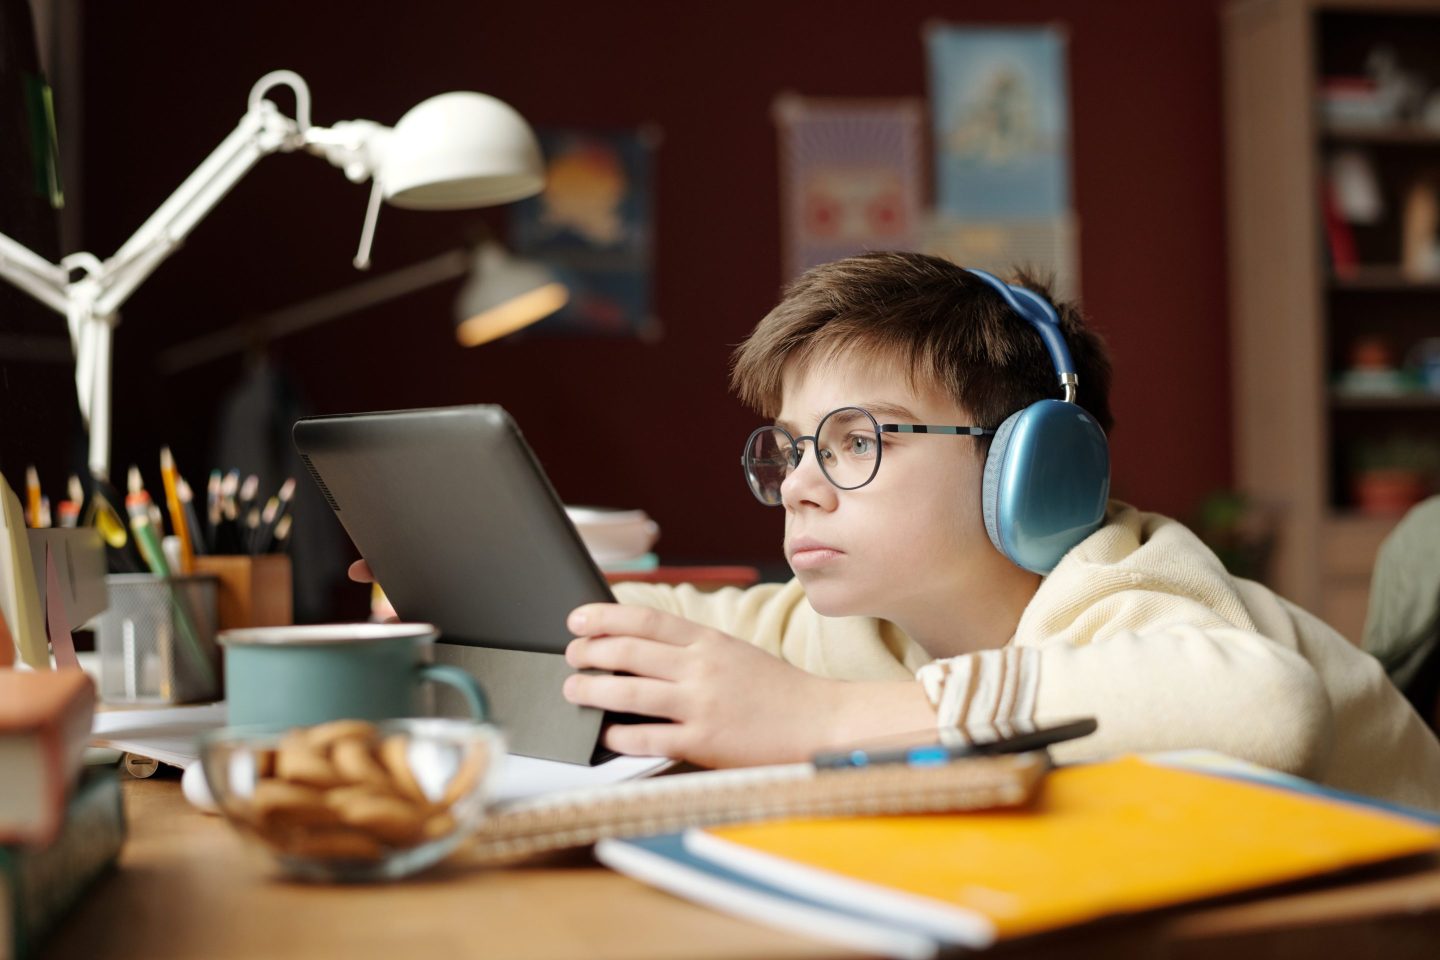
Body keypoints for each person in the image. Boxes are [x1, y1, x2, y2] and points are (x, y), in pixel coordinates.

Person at [354, 252, 1440, 810]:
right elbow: (684, 629)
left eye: (856, 440)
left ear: (1034, 467)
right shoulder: (860, 623)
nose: (799, 489)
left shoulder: (1127, 583)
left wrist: (820, 720)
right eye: (787, 449)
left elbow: (1265, 705)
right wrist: (472, 590)